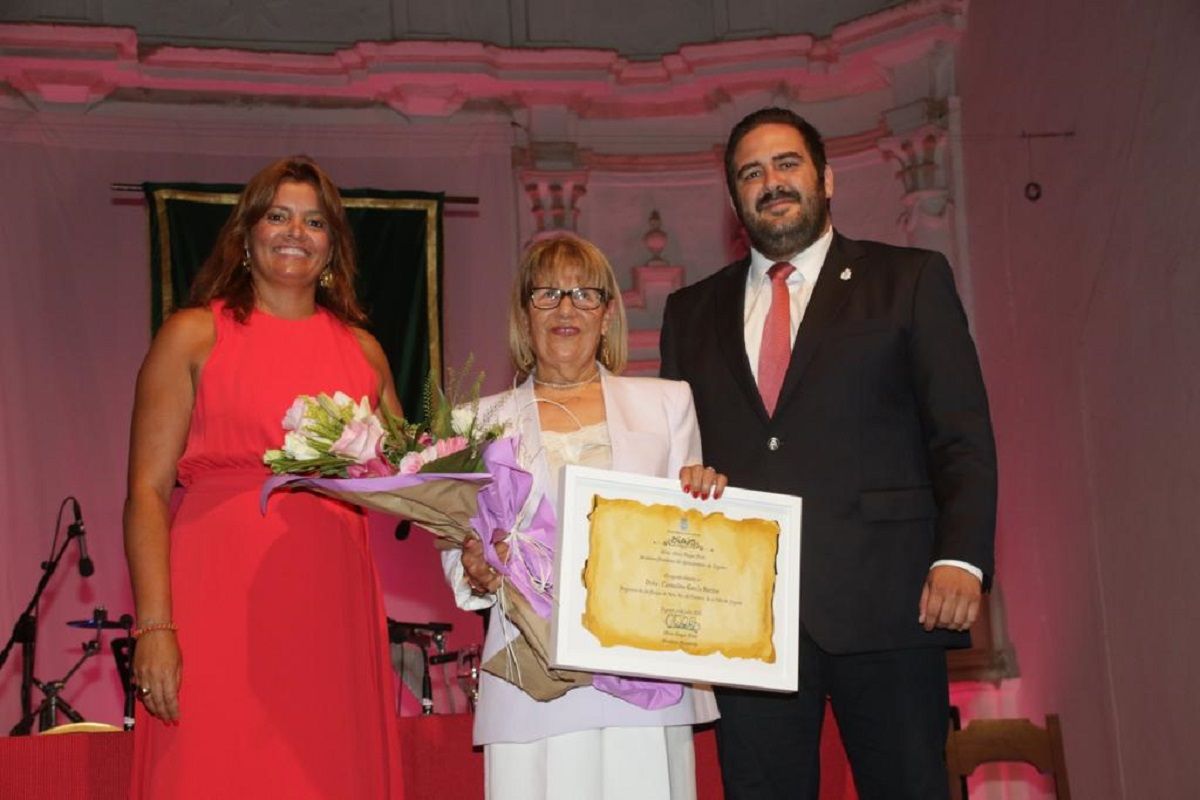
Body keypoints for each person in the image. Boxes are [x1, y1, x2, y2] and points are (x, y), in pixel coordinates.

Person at [659, 107, 997, 800]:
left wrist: (961, 557)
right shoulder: (689, 313)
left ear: (827, 179)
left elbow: (960, 434)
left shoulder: (908, 279)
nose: (771, 182)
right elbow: (678, 452)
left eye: (787, 164)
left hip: (895, 601)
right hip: (746, 620)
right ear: (734, 201)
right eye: (751, 172)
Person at [124, 156, 404, 798]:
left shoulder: (361, 350)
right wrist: (156, 627)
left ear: (333, 245)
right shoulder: (193, 335)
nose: (294, 232)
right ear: (246, 233)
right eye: (278, 215)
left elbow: (413, 478)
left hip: (330, 605)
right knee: (212, 771)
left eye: (314, 221)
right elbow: (145, 491)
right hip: (214, 601)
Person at [442, 235, 723, 800]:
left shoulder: (668, 404)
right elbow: (458, 554)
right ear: (525, 314)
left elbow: (694, 541)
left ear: (607, 313)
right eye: (547, 293)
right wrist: (474, 566)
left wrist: (706, 497)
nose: (566, 308)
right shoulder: (476, 420)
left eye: (583, 293)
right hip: (529, 678)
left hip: (643, 674)